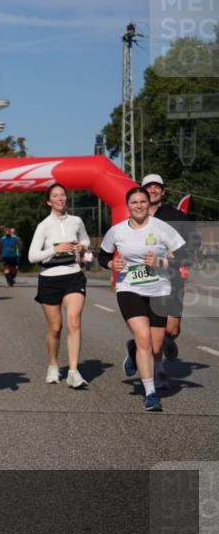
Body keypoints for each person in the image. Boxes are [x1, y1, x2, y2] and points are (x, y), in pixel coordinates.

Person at [98, 186, 187, 412]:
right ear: (128, 206)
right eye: (134, 202)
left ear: (149, 204)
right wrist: (111, 264)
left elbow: (182, 254)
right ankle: (150, 393)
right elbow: (103, 255)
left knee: (156, 346)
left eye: (142, 202)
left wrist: (162, 263)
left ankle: (133, 349)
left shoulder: (162, 228)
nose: (139, 205)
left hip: (159, 289)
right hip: (129, 287)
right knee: (144, 339)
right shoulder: (117, 231)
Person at [122, 173, 195, 386]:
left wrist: (174, 256)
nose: (153, 190)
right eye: (149, 187)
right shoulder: (134, 216)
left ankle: (136, 347)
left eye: (157, 187)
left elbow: (192, 243)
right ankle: (157, 368)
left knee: (171, 330)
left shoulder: (176, 216)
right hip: (141, 278)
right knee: (151, 325)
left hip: (171, 278)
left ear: (163, 191)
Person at [28, 183, 91, 388]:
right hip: (49, 279)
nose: (60, 198)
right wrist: (55, 249)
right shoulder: (43, 226)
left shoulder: (76, 221)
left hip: (73, 275)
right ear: (49, 201)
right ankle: (53, 365)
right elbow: (32, 256)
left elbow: (86, 240)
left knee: (74, 321)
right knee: (55, 328)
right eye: (55, 196)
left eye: (63, 195)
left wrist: (82, 246)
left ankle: (73, 371)